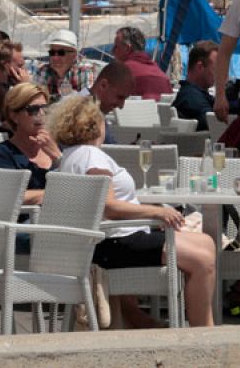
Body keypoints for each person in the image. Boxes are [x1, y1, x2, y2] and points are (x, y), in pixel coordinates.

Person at [50, 95, 216, 328]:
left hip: (107, 241)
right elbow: (109, 207)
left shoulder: (71, 156)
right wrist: (156, 213)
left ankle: (202, 324)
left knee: (206, 242)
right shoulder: (91, 156)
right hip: (115, 244)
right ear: (96, 124)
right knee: (202, 259)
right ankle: (203, 333)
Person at [0, 82, 58, 205]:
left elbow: (82, 187)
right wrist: (55, 194)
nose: (41, 114)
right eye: (33, 110)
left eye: (45, 108)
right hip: (26, 221)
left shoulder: (58, 146)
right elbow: (10, 196)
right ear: (14, 116)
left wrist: (58, 157)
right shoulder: (2, 153)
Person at [83, 59, 136, 144]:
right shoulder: (80, 115)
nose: (121, 106)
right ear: (103, 85)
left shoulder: (94, 110)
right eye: (120, 97)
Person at [114, 26, 172, 100]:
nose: (112, 51)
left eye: (116, 46)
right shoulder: (164, 78)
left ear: (127, 48)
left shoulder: (122, 73)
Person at [35, 28, 94, 98]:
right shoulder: (43, 70)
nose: (55, 57)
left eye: (61, 53)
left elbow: (86, 99)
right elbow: (36, 98)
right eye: (52, 52)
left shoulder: (83, 71)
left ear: (74, 54)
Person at [173, 41, 218, 131]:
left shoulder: (189, 94)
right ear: (200, 67)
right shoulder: (191, 98)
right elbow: (215, 125)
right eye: (216, 68)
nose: (220, 73)